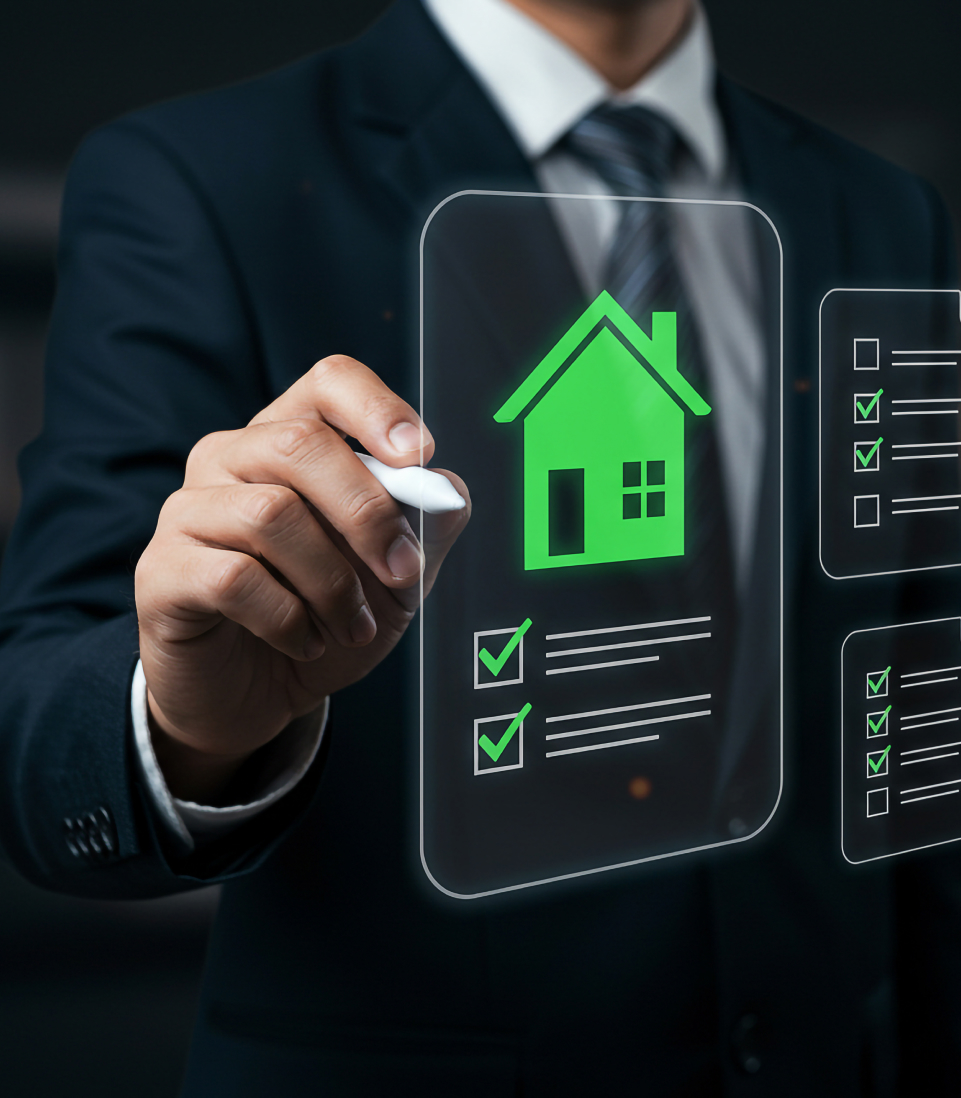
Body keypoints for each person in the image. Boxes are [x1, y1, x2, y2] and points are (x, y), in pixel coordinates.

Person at [0, 0, 956, 1093]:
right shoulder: (204, 175)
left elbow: (916, 720)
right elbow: (40, 731)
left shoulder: (882, 212)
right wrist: (183, 721)